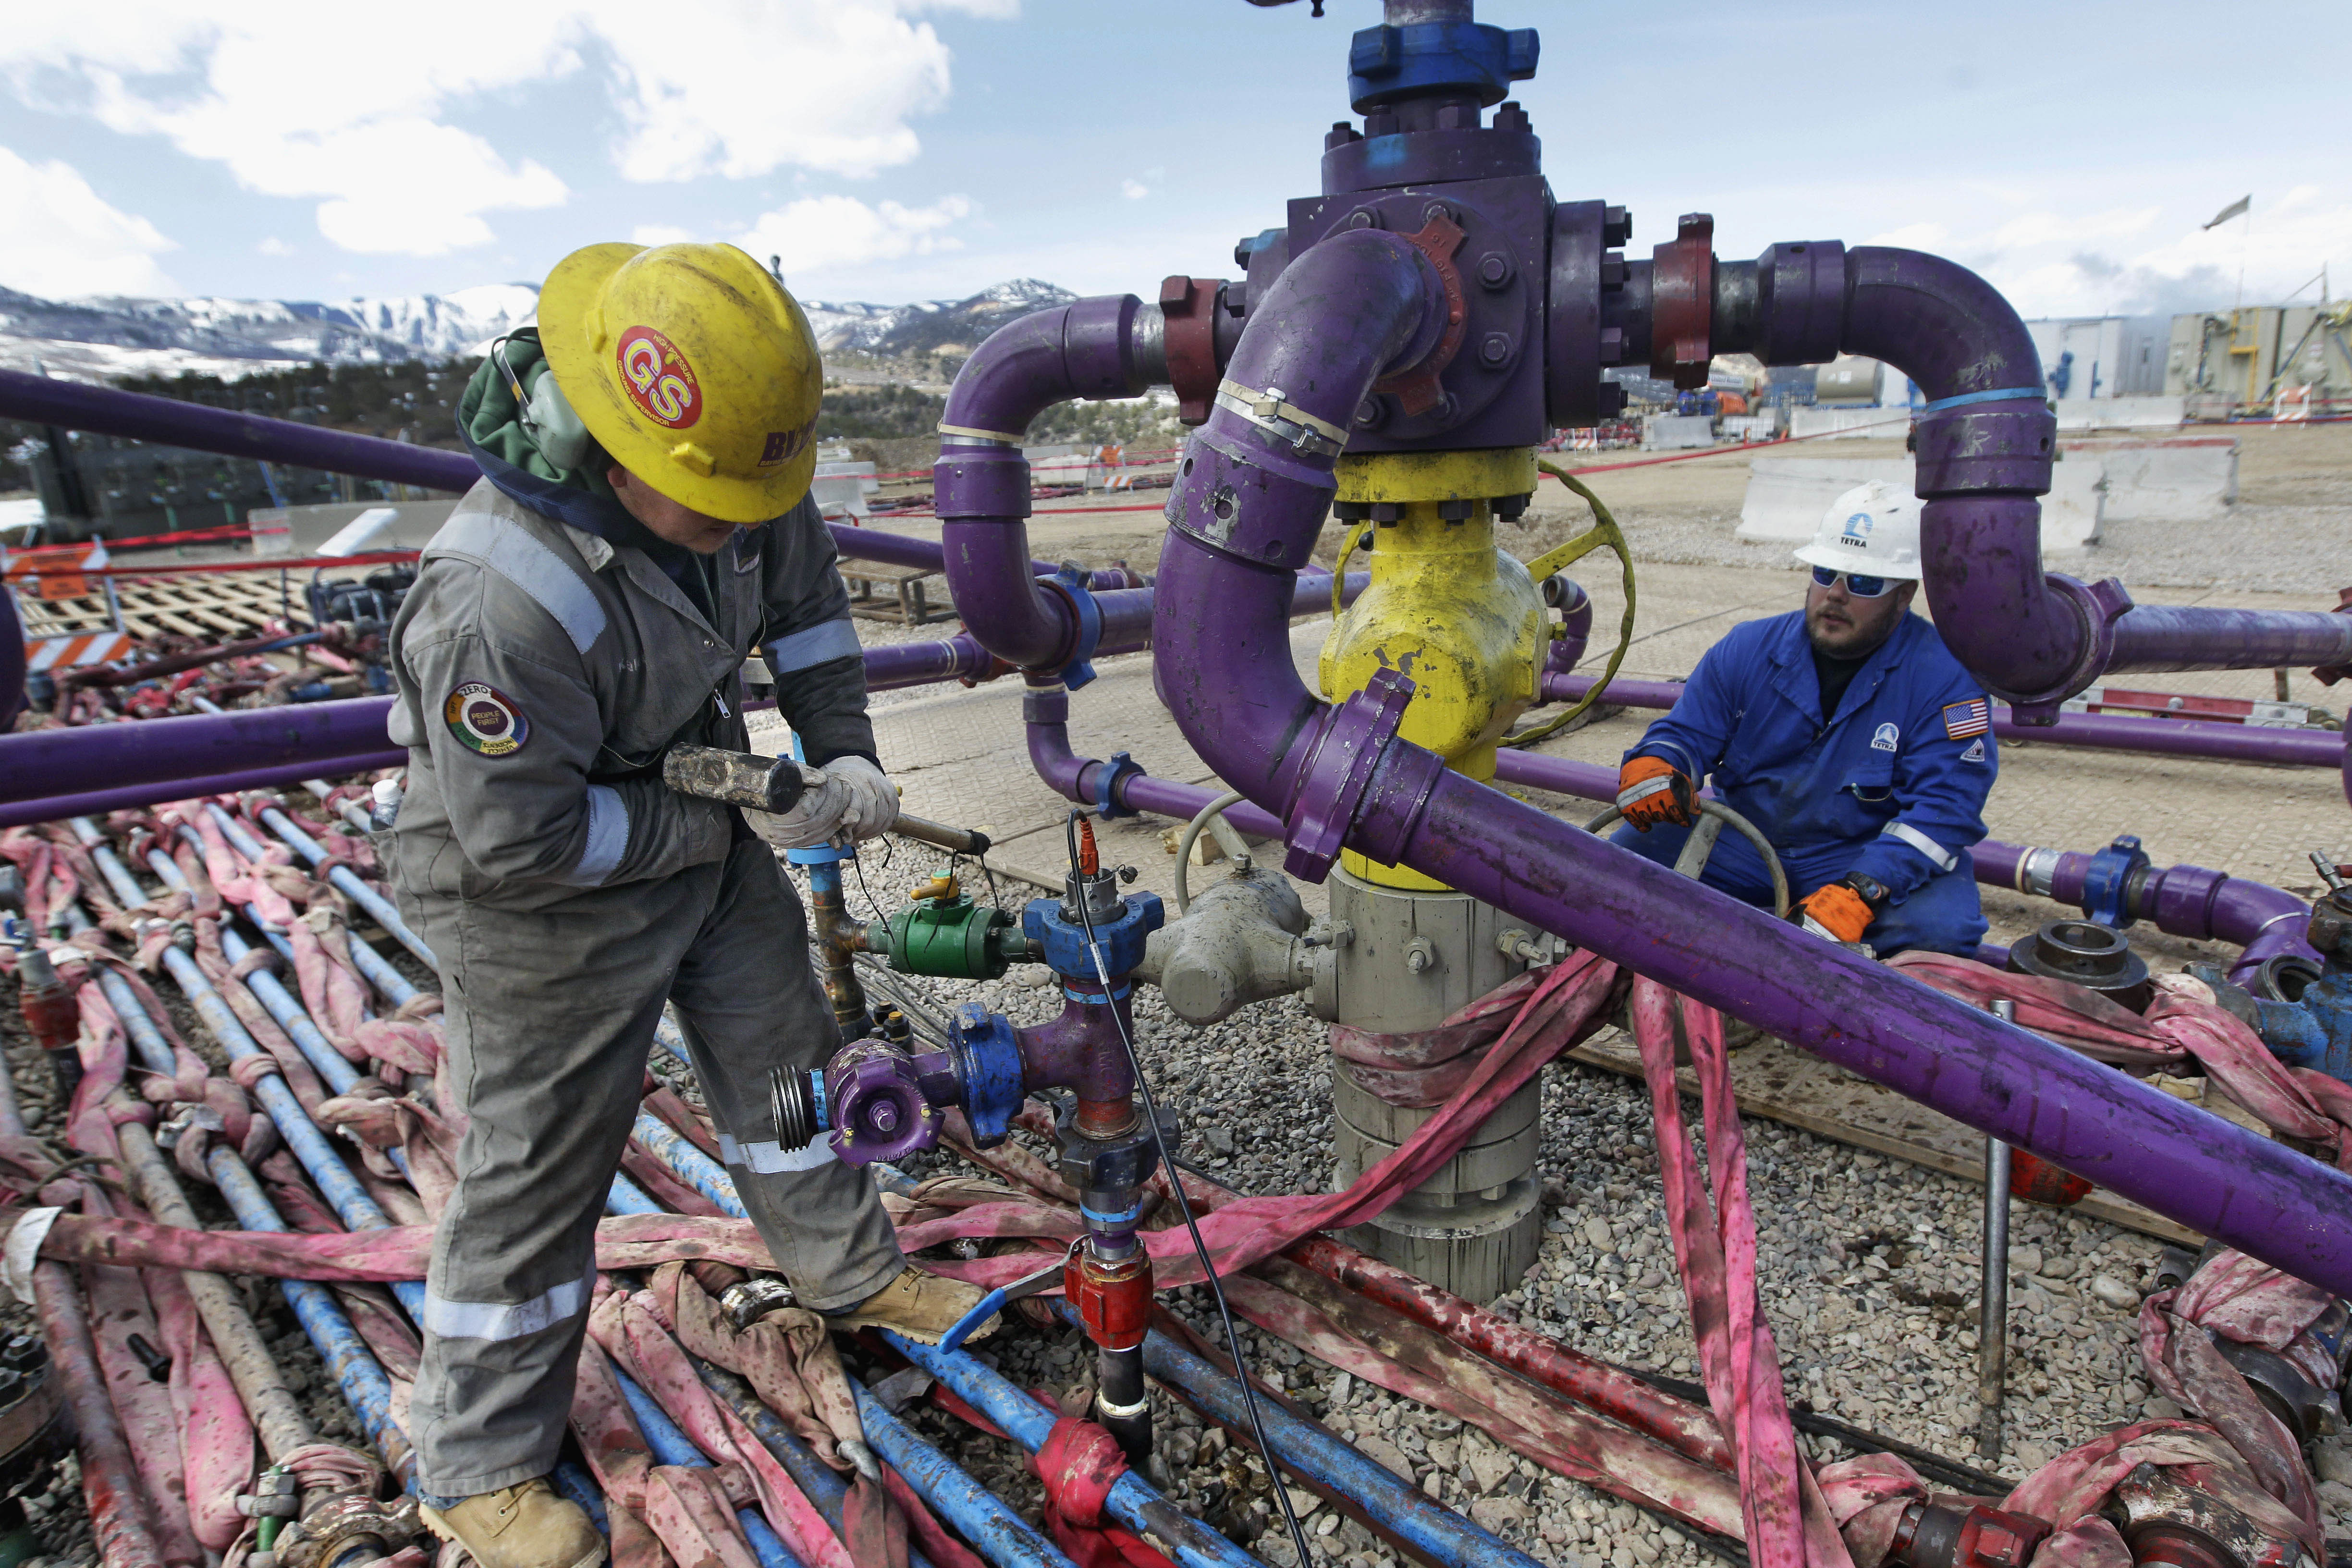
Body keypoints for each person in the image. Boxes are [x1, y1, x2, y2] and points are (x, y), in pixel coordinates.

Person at [384, 241, 994, 1568]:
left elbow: (812, 608)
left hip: (698, 832)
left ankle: (845, 1270)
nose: (742, 524)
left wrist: (841, 757)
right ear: (616, 451)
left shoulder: (735, 465)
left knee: (785, 1071)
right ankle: (475, 1463)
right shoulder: (497, 600)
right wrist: (723, 812)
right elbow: (522, 834)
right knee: (539, 1172)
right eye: (713, 503)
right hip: (533, 896)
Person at [1610, 480, 1996, 958]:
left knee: (1940, 932)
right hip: (1744, 844)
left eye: (1864, 583)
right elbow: (1687, 732)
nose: (1836, 594)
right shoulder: (1748, 649)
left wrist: (1865, 890)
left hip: (1860, 851)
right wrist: (1659, 763)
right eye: (1826, 572)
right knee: (1614, 867)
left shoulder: (1944, 679)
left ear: (1904, 595)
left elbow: (1945, 811)